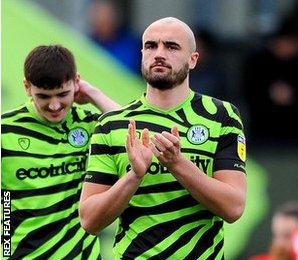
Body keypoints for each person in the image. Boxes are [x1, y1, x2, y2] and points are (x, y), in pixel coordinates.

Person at [78, 17, 247, 259]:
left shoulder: (221, 116)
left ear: (193, 59)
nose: (159, 53)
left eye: (171, 46)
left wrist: (178, 164)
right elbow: (89, 220)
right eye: (150, 46)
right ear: (142, 55)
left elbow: (233, 207)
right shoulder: (111, 124)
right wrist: (134, 176)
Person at [1, 44, 119, 259]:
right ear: (27, 87)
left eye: (62, 94)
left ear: (76, 82)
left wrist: (93, 93)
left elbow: (135, 134)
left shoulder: (89, 125)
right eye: (44, 96)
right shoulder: (5, 130)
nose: (55, 105)